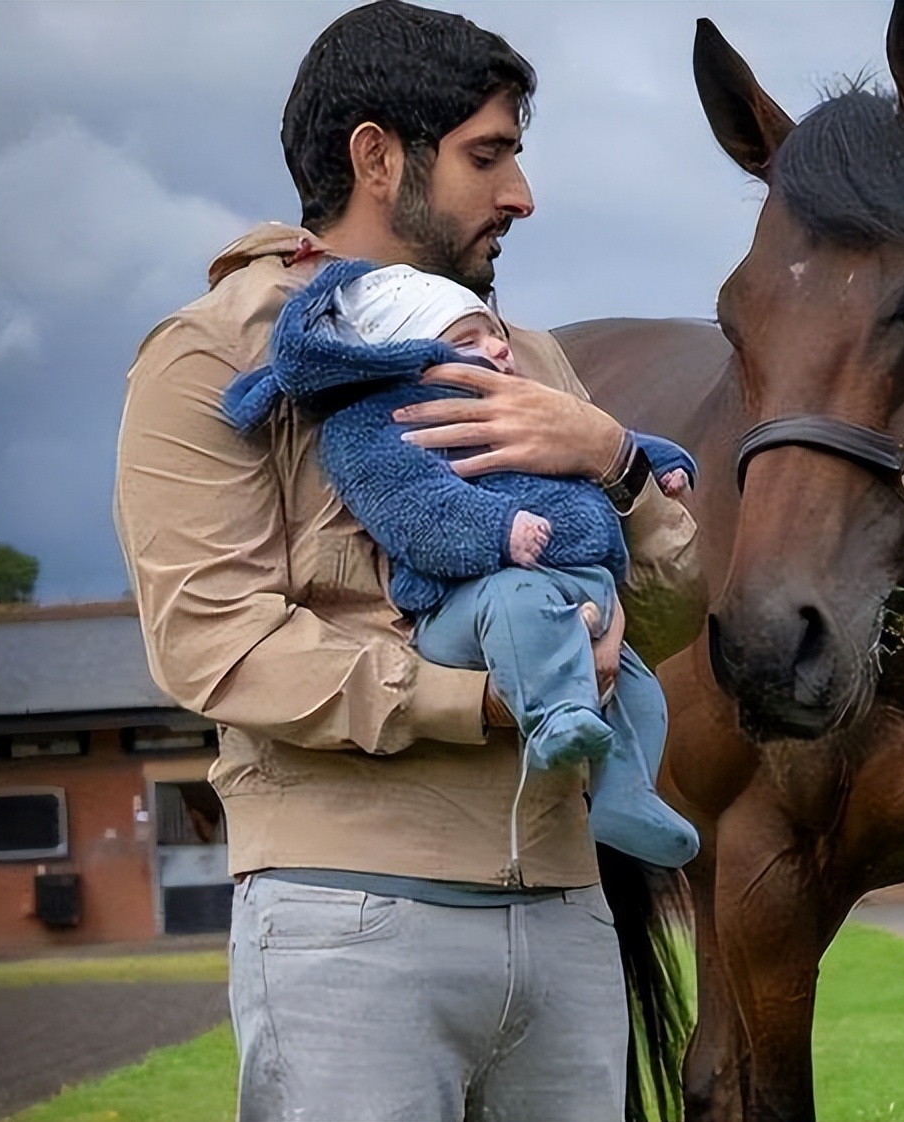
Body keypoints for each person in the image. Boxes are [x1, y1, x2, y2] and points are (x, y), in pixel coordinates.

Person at [112, 3, 706, 1120]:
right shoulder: (214, 355)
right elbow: (217, 644)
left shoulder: (531, 360)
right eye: (490, 156)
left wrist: (618, 463)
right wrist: (485, 699)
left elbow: (670, 621)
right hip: (350, 924)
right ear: (377, 157)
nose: (521, 194)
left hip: (572, 914)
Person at [221, 260, 702, 870]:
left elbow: (608, 441)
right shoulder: (380, 424)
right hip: (471, 597)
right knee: (518, 602)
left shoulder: (521, 397)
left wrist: (652, 460)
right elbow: (417, 511)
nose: (497, 348)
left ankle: (628, 795)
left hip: (574, 588)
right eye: (467, 340)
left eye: (493, 333)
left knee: (640, 690)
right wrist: (499, 532)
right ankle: (558, 717)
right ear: (410, 356)